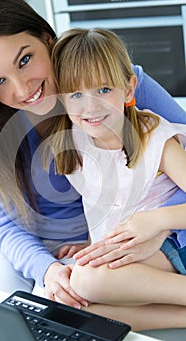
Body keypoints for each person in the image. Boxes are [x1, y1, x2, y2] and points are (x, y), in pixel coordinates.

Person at [0, 0, 186, 330]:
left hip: (135, 231)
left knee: (69, 304)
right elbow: (5, 224)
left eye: (25, 60)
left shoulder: (115, 87)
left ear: (47, 39)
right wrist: (46, 269)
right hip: (39, 240)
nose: (23, 89)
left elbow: (176, 164)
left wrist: (158, 224)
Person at [49, 26, 186, 326]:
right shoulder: (75, 146)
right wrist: (90, 244)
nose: (91, 106)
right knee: (74, 308)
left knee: (85, 282)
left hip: (174, 246)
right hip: (134, 257)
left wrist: (156, 221)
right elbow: (105, 205)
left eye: (103, 90)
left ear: (129, 88)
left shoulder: (154, 137)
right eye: (76, 94)